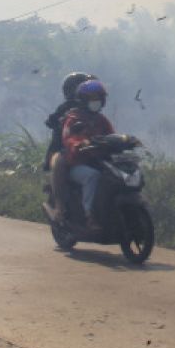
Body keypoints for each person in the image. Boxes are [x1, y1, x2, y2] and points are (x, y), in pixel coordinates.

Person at [61, 79, 114, 231]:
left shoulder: (102, 120)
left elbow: (112, 136)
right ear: (83, 101)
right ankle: (89, 215)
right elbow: (69, 138)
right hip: (77, 165)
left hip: (99, 163)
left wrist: (123, 143)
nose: (95, 102)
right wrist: (80, 143)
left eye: (98, 98)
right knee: (92, 176)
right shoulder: (73, 118)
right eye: (92, 99)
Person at [45, 71, 95, 221]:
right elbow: (50, 122)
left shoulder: (91, 110)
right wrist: (63, 120)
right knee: (60, 164)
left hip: (84, 150)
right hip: (63, 150)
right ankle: (60, 209)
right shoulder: (67, 109)